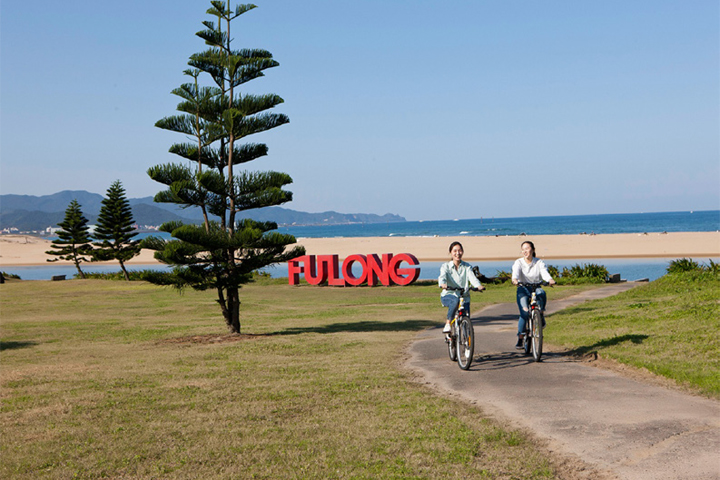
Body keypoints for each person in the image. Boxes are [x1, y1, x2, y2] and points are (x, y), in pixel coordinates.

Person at [512, 241, 556, 349]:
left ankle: (540, 313)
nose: (525, 251)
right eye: (523, 249)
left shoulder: (539, 262)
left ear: (533, 249)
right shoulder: (519, 262)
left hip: (535, 287)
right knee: (524, 312)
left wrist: (549, 280)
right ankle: (520, 338)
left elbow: (544, 272)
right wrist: (515, 280)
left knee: (541, 293)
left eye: (527, 248)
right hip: (522, 288)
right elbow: (515, 273)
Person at [438, 241, 485, 333]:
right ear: (450, 252)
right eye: (455, 251)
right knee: (455, 301)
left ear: (462, 252)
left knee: (466, 319)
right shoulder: (445, 266)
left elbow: (472, 278)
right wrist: (443, 284)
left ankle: (468, 344)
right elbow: (442, 276)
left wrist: (478, 286)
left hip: (464, 296)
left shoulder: (467, 266)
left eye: (459, 251)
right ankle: (448, 323)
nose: (457, 253)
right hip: (449, 294)